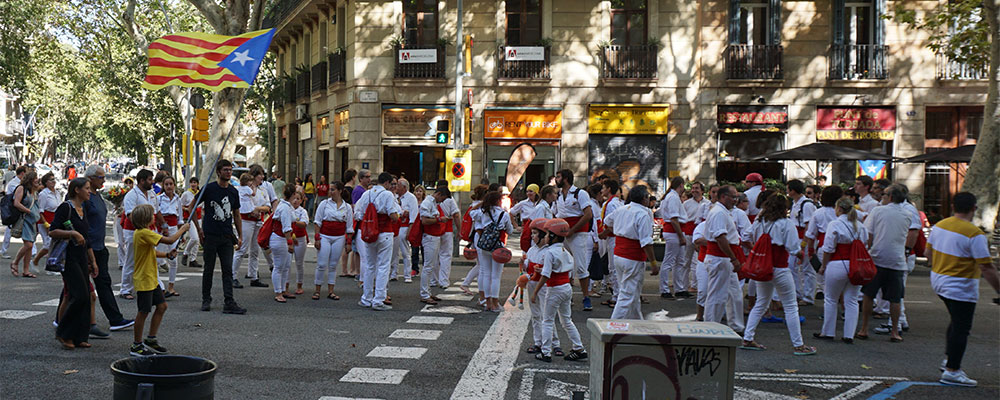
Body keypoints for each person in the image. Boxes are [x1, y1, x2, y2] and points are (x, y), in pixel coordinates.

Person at [927, 192, 1000, 387]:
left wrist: (939, 268)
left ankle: (949, 360)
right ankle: (952, 370)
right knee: (961, 327)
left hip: (939, 281)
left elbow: (928, 253)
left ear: (953, 206)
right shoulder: (974, 234)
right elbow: (986, 267)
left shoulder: (939, 226)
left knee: (956, 322)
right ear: (974, 208)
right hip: (960, 286)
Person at [741, 194, 816, 355]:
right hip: (780, 267)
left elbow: (745, 236)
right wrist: (800, 254)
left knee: (761, 302)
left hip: (763, 267)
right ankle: (798, 344)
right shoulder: (786, 223)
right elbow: (793, 248)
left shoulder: (759, 221)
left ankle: (748, 338)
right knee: (790, 306)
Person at [127, 204, 189, 356]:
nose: (154, 217)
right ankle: (136, 345)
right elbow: (169, 240)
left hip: (151, 278)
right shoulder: (143, 233)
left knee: (162, 306)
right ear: (146, 219)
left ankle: (151, 339)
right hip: (144, 280)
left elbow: (151, 252)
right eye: (151, 215)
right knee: (143, 311)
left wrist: (167, 256)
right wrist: (183, 229)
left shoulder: (143, 234)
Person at [192, 160, 246, 314]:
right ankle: (206, 299)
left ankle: (229, 302)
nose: (229, 172)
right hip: (210, 235)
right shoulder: (209, 189)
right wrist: (199, 230)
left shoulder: (233, 191)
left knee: (227, 270)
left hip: (227, 236)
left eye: (230, 170)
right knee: (208, 269)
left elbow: (236, 214)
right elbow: (192, 207)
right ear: (218, 172)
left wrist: (240, 235)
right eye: (225, 170)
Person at [857, 184, 910, 342]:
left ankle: (864, 328)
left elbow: (868, 234)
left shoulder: (878, 211)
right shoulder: (907, 214)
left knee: (868, 294)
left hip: (877, 258)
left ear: (891, 197)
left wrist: (866, 252)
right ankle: (895, 331)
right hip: (897, 260)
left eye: (885, 195)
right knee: (895, 298)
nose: (882, 197)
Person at [531, 218, 588, 362]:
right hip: (566, 289)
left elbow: (545, 276)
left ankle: (546, 352)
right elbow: (564, 272)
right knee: (566, 320)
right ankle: (579, 347)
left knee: (547, 320)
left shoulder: (549, 252)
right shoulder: (566, 251)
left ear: (553, 236)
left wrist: (535, 292)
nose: (545, 237)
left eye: (547, 234)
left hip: (554, 289)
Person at [83, 165, 133, 331]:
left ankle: (115, 319)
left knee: (103, 283)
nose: (104, 180)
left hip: (99, 247)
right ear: (90, 178)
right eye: (101, 177)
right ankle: (61, 320)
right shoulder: (85, 197)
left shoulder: (97, 196)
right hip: (87, 248)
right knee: (77, 286)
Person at [50, 178, 97, 350]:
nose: (89, 191)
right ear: (76, 190)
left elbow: (87, 239)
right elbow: (53, 231)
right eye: (86, 188)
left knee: (86, 297)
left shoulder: (83, 209)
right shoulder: (66, 207)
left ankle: (80, 336)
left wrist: (93, 261)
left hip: (82, 257)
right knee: (80, 295)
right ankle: (64, 333)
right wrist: (72, 234)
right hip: (68, 257)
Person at [600, 185, 658, 320]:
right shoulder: (643, 214)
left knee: (632, 292)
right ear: (644, 198)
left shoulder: (621, 210)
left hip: (619, 255)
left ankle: (637, 322)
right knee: (627, 295)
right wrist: (654, 263)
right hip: (633, 258)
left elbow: (607, 221)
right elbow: (646, 242)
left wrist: (619, 228)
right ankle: (613, 327)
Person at [815, 196, 867, 344]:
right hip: (856, 265)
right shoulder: (861, 226)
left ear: (839, 209)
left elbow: (829, 248)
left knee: (831, 298)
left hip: (837, 264)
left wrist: (823, 265)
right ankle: (849, 334)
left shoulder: (835, 224)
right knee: (852, 300)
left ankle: (828, 331)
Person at [353, 172, 401, 311]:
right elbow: (393, 215)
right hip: (384, 232)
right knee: (383, 266)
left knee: (369, 265)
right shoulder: (387, 195)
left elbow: (358, 214)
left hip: (368, 233)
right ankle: (378, 299)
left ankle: (366, 298)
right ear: (386, 183)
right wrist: (398, 216)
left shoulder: (366, 194)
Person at [554, 169, 595, 311]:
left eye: (558, 177)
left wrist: (572, 230)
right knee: (564, 265)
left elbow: (588, 214)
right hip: (563, 234)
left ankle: (586, 297)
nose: (556, 179)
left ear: (565, 178)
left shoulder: (580, 193)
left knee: (581, 267)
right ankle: (568, 296)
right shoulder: (558, 195)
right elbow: (556, 214)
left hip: (578, 235)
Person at [703, 186, 744, 326]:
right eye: (733, 197)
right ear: (723, 197)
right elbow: (720, 238)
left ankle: (736, 325)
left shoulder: (723, 212)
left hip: (724, 258)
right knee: (717, 295)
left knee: (735, 294)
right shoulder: (719, 212)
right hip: (720, 258)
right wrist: (733, 258)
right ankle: (710, 326)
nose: (735, 200)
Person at [523, 217, 562, 356]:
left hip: (544, 286)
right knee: (535, 315)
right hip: (532, 284)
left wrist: (544, 269)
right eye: (532, 233)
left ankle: (555, 343)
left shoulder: (548, 251)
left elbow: (554, 269)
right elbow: (525, 269)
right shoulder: (531, 250)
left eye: (535, 233)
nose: (532, 236)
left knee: (547, 315)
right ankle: (538, 342)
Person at [471, 190, 515, 312]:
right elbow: (510, 231)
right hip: (498, 247)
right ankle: (496, 304)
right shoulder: (504, 214)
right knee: (496, 276)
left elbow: (471, 213)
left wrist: (481, 204)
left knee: (485, 273)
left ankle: (487, 302)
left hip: (484, 246)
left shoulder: (482, 212)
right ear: (498, 201)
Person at [120, 169, 158, 300]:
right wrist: (142, 229)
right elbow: (131, 215)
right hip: (133, 231)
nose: (152, 182)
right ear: (142, 181)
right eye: (149, 179)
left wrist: (162, 225)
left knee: (149, 258)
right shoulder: (131, 195)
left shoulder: (152, 194)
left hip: (149, 230)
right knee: (131, 260)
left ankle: (154, 286)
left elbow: (156, 212)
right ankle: (125, 289)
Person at [313, 181, 351, 300]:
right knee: (322, 264)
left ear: (340, 191)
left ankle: (331, 290)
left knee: (333, 264)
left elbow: (349, 227)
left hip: (339, 237)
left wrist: (348, 242)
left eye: (333, 189)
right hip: (325, 236)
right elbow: (317, 221)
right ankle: (317, 290)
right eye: (330, 189)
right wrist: (317, 238)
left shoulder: (347, 207)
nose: (330, 192)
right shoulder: (324, 204)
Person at [232, 172, 271, 289]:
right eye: (260, 176)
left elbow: (267, 206)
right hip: (246, 220)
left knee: (255, 250)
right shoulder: (242, 189)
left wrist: (258, 209)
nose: (262, 178)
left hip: (258, 220)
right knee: (242, 248)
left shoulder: (263, 190)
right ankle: (233, 276)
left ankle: (254, 276)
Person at [805, 185, 843, 302]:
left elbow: (811, 234)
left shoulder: (819, 213)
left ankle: (830, 308)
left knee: (827, 281)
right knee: (843, 280)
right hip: (844, 249)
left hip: (824, 247)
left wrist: (810, 250)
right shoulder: (846, 212)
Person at [658, 177, 689, 299]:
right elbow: (674, 219)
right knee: (669, 261)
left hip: (675, 231)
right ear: (681, 185)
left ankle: (679, 288)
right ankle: (665, 289)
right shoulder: (673, 198)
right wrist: (681, 235)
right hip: (674, 232)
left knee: (679, 261)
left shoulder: (672, 197)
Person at [788, 179, 817, 306]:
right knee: (793, 266)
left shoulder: (807, 205)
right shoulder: (795, 203)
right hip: (796, 237)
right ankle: (797, 293)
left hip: (803, 238)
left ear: (792, 191)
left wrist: (804, 243)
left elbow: (808, 226)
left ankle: (808, 296)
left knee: (806, 267)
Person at [419, 187, 450, 305]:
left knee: (431, 266)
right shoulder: (427, 203)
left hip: (433, 237)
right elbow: (425, 221)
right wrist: (439, 220)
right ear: (439, 194)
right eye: (442, 198)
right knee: (428, 266)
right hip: (430, 237)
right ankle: (424, 294)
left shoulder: (432, 203)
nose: (442, 201)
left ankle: (427, 291)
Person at [598, 180, 624, 307]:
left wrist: (604, 233)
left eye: (603, 188)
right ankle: (615, 294)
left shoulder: (612, 204)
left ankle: (617, 296)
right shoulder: (613, 203)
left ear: (608, 189)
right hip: (611, 238)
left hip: (613, 238)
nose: (601, 190)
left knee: (613, 268)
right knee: (611, 267)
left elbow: (614, 223)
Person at [270, 184, 298, 302]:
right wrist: (290, 242)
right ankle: (278, 292)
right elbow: (286, 228)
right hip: (279, 239)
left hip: (280, 238)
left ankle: (282, 289)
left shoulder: (285, 206)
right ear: (293, 194)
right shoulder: (285, 208)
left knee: (285, 266)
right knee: (279, 266)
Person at [680, 181, 709, 295]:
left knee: (698, 261)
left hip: (701, 235)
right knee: (686, 260)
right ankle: (683, 285)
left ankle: (695, 285)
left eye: (697, 188)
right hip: (688, 233)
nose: (694, 190)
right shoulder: (686, 204)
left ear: (702, 190)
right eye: (693, 188)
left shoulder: (707, 203)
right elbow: (681, 218)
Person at [157, 176, 183, 297]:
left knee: (174, 259)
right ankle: (158, 286)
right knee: (157, 259)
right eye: (166, 184)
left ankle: (171, 287)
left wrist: (181, 234)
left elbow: (180, 219)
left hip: (173, 229)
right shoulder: (159, 199)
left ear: (174, 185)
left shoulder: (178, 199)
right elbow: (156, 214)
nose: (169, 186)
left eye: (171, 184)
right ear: (163, 185)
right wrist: (163, 227)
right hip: (162, 230)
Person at [10, 172, 40, 277]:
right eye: (35, 178)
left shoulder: (34, 191)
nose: (37, 180)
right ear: (30, 179)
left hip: (32, 221)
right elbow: (16, 203)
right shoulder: (22, 188)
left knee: (30, 247)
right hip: (25, 219)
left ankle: (26, 270)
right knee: (28, 245)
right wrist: (28, 211)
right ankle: (15, 262)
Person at [435, 179, 461, 288]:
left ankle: (433, 280)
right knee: (445, 255)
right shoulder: (450, 200)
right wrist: (459, 230)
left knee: (434, 256)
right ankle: (444, 281)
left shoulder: (432, 200)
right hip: (447, 229)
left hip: (434, 230)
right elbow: (456, 215)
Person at [31, 173, 59, 273]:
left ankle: (49, 265)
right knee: (48, 245)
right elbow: (40, 210)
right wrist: (46, 224)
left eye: (54, 179)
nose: (53, 181)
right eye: (51, 180)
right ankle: (36, 262)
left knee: (54, 244)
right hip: (44, 221)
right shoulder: (43, 194)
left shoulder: (57, 193)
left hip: (55, 220)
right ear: (46, 182)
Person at [394, 178, 419, 282]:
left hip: (404, 226)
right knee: (394, 252)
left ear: (404, 187)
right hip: (395, 226)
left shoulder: (411, 198)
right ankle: (393, 273)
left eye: (398, 186)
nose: (396, 188)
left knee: (405, 252)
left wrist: (410, 229)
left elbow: (414, 214)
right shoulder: (394, 197)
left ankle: (407, 275)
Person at [1, 165, 27, 259]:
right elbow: (16, 198)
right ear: (23, 173)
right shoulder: (14, 184)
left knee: (26, 230)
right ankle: (3, 250)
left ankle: (32, 250)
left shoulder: (18, 182)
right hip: (13, 210)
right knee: (9, 231)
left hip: (19, 209)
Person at [179, 177, 203, 270]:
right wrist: (187, 209)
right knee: (194, 238)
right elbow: (180, 205)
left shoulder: (200, 193)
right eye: (191, 182)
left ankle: (193, 259)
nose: (193, 184)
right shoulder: (186, 194)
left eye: (195, 183)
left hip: (199, 217)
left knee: (198, 241)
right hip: (191, 218)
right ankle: (185, 253)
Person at [290, 192, 310, 295]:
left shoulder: (303, 211)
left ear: (301, 201)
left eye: (298, 199)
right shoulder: (287, 209)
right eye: (294, 198)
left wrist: (293, 221)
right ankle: (285, 286)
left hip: (300, 239)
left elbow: (304, 224)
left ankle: (299, 285)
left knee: (299, 263)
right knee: (287, 264)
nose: (295, 201)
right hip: (288, 239)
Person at [410, 185, 426, 277]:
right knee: (414, 249)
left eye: (420, 191)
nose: (418, 193)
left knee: (424, 248)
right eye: (417, 191)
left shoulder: (425, 203)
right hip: (415, 226)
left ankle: (425, 267)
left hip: (422, 226)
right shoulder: (413, 202)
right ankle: (414, 268)